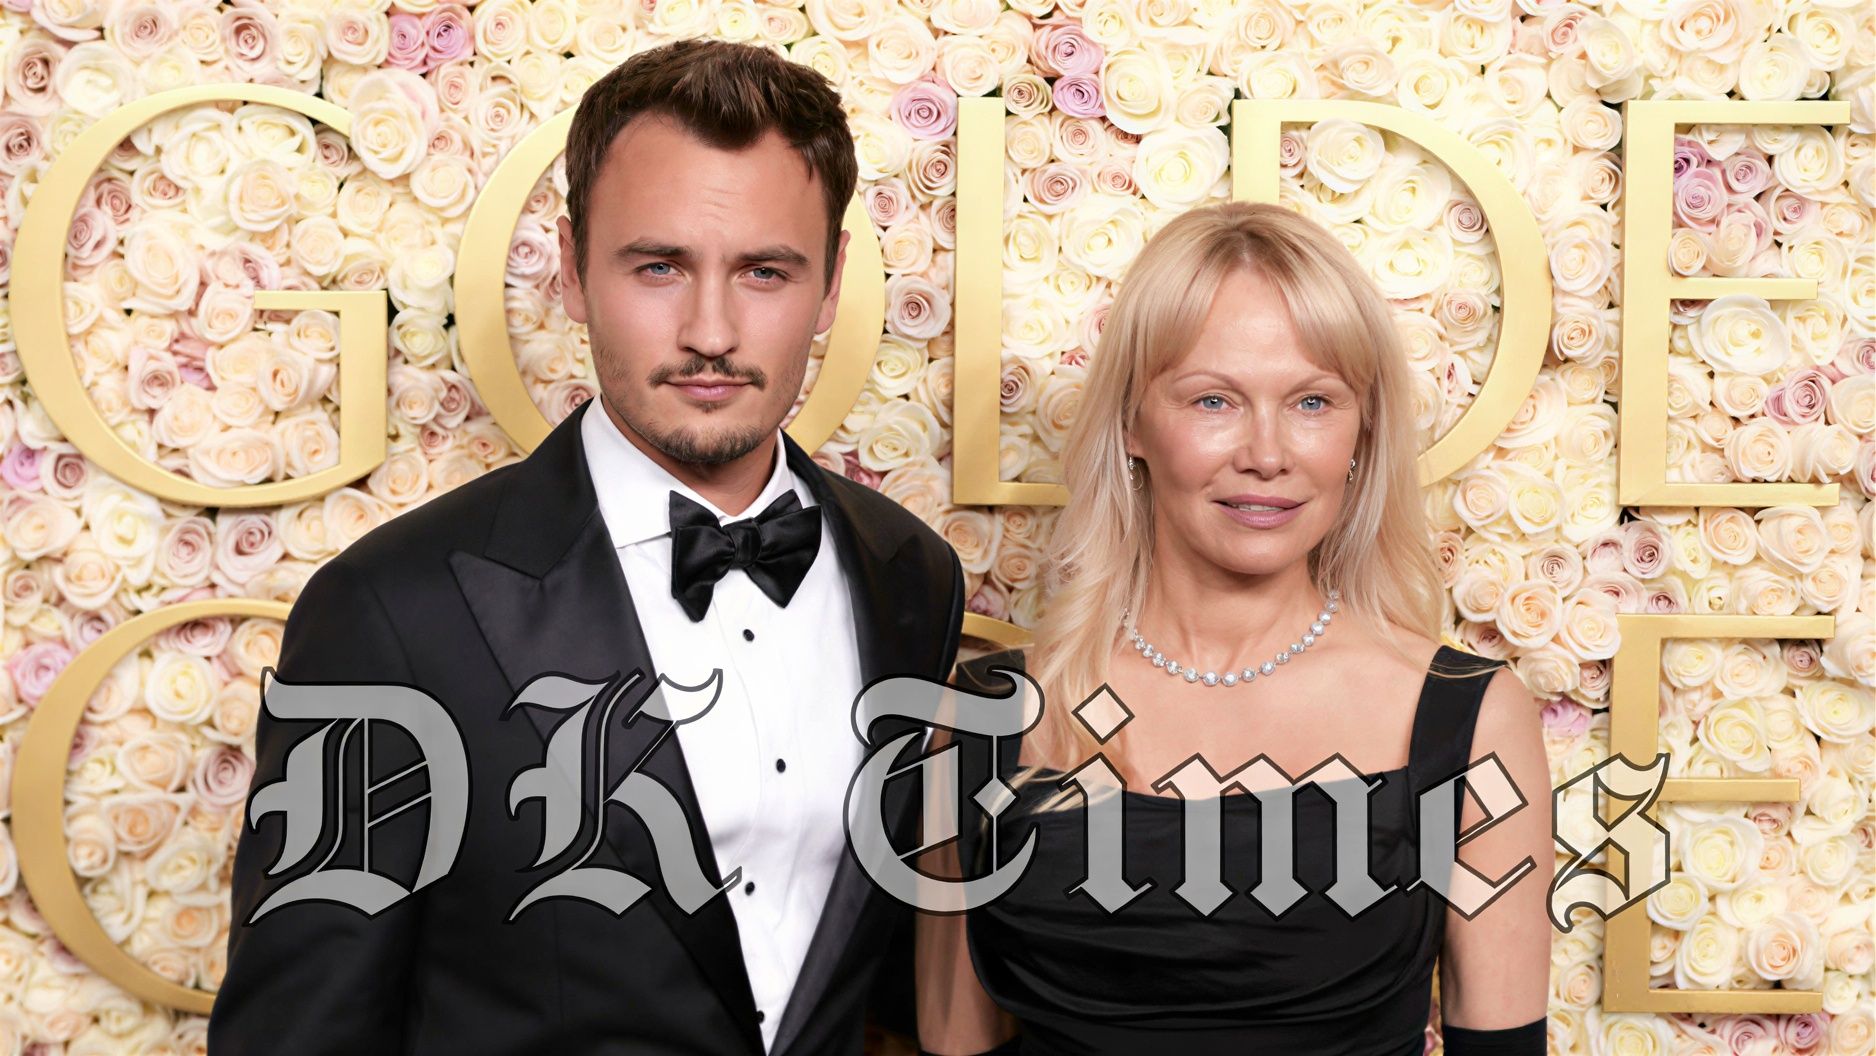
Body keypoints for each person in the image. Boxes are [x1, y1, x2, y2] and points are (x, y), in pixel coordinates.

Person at [212, 40, 965, 1056]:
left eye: (764, 272)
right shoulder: (393, 614)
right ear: (572, 271)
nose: (711, 331)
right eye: (658, 266)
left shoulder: (909, 575)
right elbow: (300, 1033)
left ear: (829, 281)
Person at [915, 202, 1552, 1056]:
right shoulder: (980, 719)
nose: (1267, 453)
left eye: (1313, 402)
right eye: (1213, 400)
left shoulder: (1468, 720)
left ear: (1362, 432)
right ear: (1132, 423)